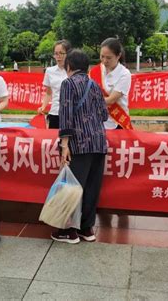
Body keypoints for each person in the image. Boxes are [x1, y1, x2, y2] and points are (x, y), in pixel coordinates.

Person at [52, 49, 108, 244]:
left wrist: (64, 144)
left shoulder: (67, 84)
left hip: (79, 143)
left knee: (73, 187)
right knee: (92, 187)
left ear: (69, 67)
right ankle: (87, 229)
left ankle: (69, 230)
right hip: (99, 142)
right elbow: (104, 115)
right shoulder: (95, 85)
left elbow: (65, 116)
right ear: (87, 67)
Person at [89, 37, 132, 130]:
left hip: (117, 122)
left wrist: (88, 101)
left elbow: (111, 100)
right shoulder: (95, 71)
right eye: (102, 56)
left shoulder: (124, 74)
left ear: (118, 56)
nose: (104, 61)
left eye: (109, 58)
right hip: (97, 121)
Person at [38, 40, 72, 128]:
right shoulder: (50, 71)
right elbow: (49, 93)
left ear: (68, 54)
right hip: (55, 112)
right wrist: (43, 107)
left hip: (71, 114)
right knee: (54, 139)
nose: (58, 56)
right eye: (56, 53)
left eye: (61, 53)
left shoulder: (74, 71)